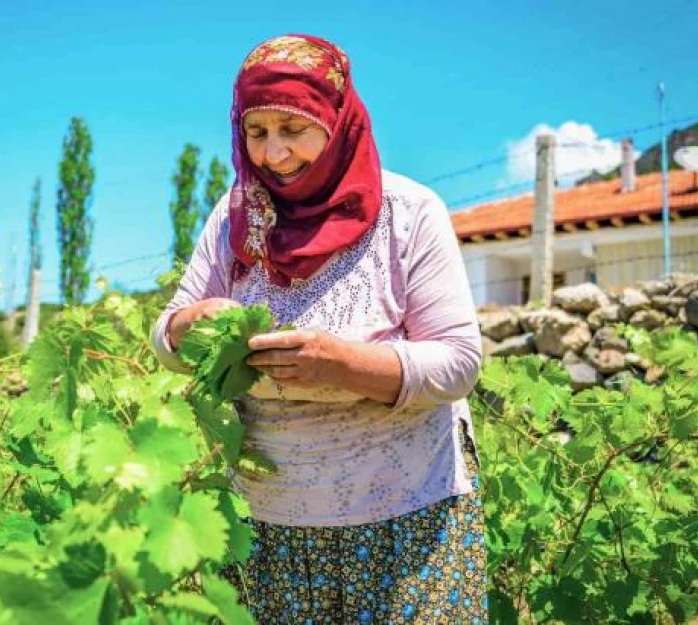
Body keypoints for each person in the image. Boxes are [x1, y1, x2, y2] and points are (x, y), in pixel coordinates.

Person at [151, 34, 487, 624]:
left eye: (292, 129)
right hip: (267, 530)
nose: (274, 154)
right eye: (256, 133)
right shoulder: (236, 218)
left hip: (407, 523)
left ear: (336, 121)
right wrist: (188, 324)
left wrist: (341, 363)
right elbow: (167, 338)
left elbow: (458, 362)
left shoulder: (408, 214)